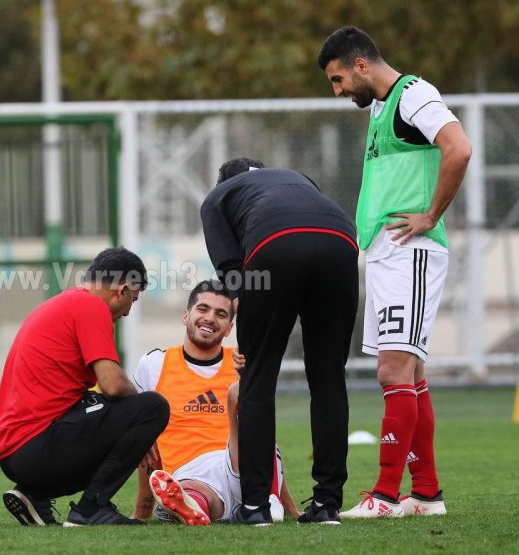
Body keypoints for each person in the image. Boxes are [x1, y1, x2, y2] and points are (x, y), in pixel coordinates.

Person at [317, 27, 471, 519]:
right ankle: (425, 494)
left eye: (339, 79)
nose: (339, 91)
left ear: (360, 64)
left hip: (413, 249)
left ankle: (384, 496)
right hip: (389, 252)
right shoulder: (384, 106)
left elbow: (459, 148)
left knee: (392, 371)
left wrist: (430, 215)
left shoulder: (414, 95)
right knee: (412, 374)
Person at [200, 157, 359, 525]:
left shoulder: (217, 197)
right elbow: (309, 223)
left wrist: (246, 325)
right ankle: (327, 504)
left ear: (224, 182)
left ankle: (255, 506)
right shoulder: (298, 176)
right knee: (329, 379)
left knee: (257, 382)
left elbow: (231, 270)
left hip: (275, 246)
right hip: (340, 242)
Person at [0, 246, 170, 527]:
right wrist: (141, 424)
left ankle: (33, 494)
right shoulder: (91, 306)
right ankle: (91, 509)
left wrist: (135, 430)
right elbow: (112, 384)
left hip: (16, 453)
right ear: (121, 290)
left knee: (109, 410)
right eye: (133, 300)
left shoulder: (65, 303)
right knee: (154, 406)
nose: (127, 313)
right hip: (35, 445)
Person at [130, 280, 299, 526]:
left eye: (220, 314)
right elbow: (146, 446)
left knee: (241, 392)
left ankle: (269, 498)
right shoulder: (154, 365)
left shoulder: (241, 361)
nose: (210, 318)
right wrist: (142, 511)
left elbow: (265, 433)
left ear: (229, 328)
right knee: (195, 495)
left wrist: (291, 507)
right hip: (190, 475)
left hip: (242, 463)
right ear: (186, 316)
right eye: (203, 309)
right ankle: (190, 506)